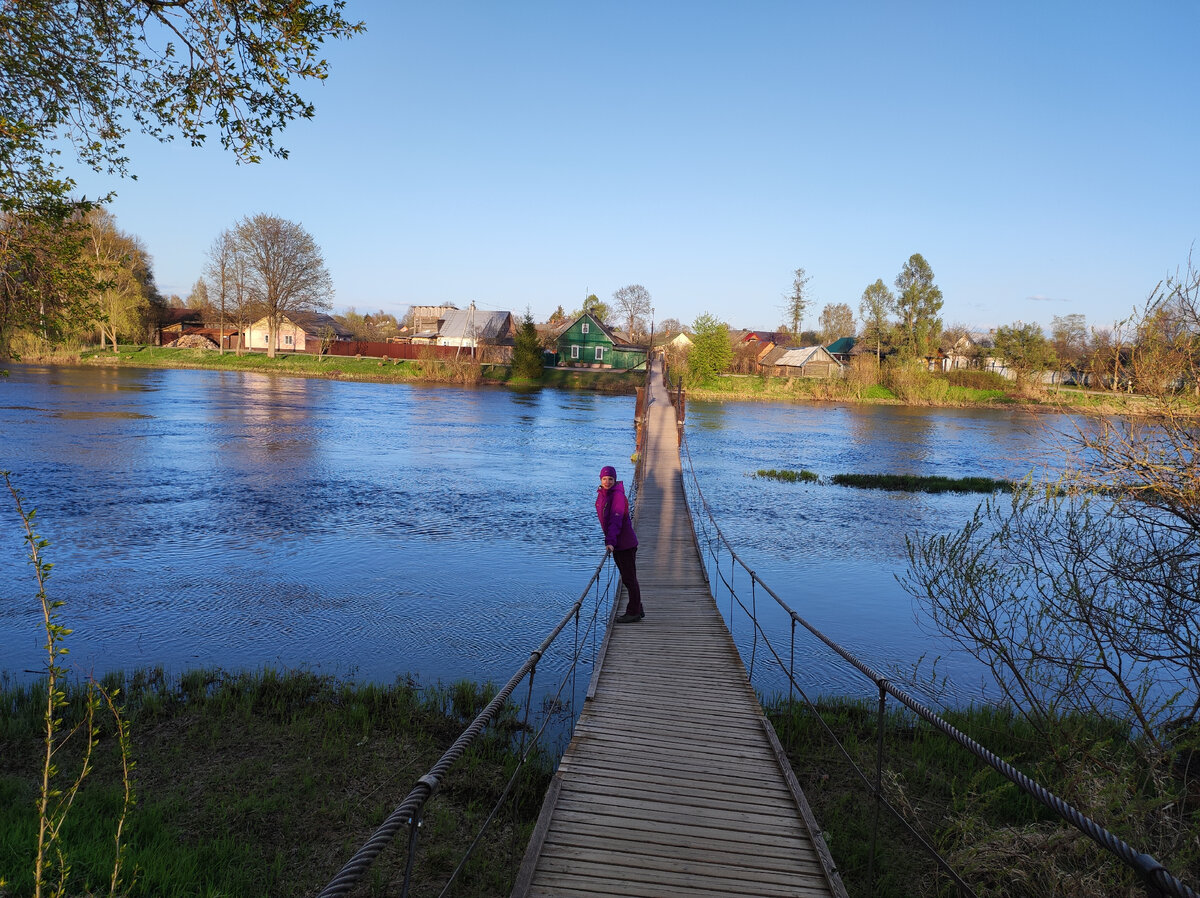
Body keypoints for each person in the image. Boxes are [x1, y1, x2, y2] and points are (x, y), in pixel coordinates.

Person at [596, 465, 644, 623]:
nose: (607, 481)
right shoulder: (604, 494)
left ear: (615, 480)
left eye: (610, 479)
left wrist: (610, 542)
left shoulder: (616, 496)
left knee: (629, 578)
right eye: (604, 479)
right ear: (600, 479)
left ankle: (634, 612)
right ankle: (638, 607)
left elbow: (615, 521)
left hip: (624, 544)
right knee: (628, 577)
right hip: (619, 543)